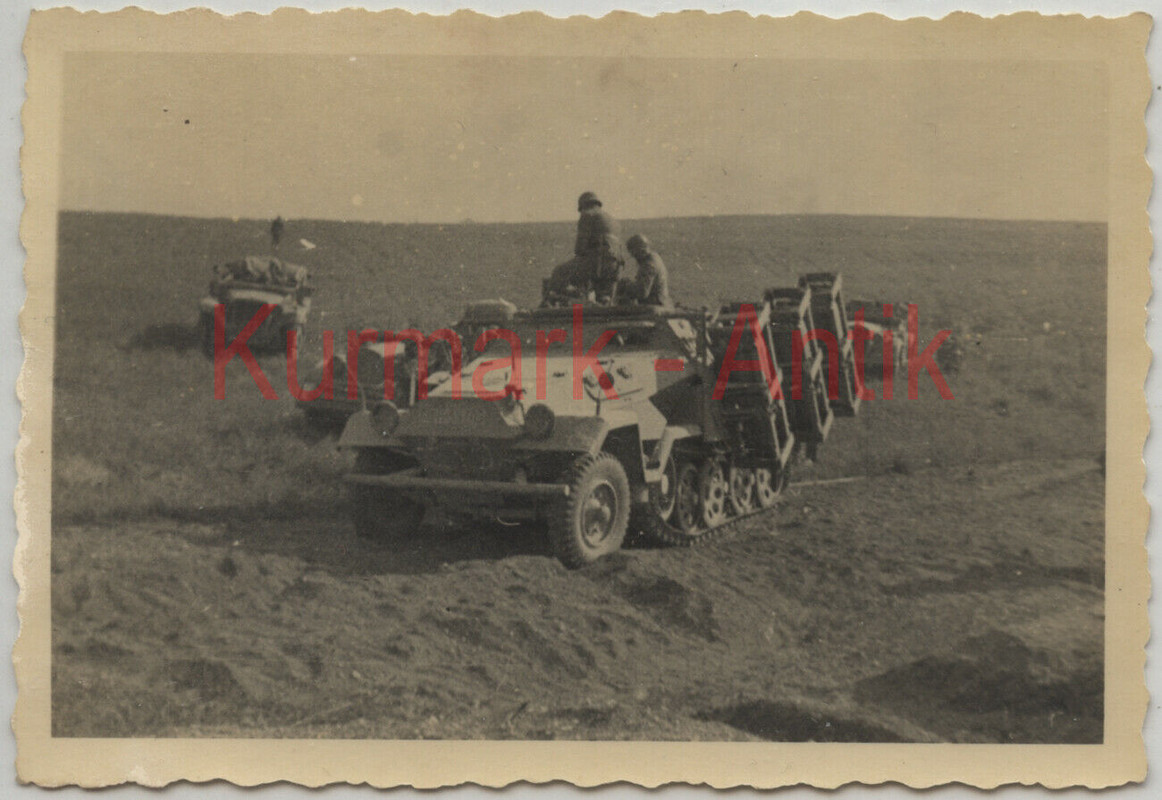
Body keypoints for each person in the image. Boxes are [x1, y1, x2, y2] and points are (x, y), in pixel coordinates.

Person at [543, 192, 624, 304]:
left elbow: (580, 248)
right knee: (603, 300)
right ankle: (596, 309)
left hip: (596, 264)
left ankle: (559, 306)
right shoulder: (614, 222)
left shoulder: (587, 214)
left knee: (559, 272)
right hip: (614, 268)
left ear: (583, 206)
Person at [624, 234, 673, 308]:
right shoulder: (655, 258)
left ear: (640, 250)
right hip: (661, 302)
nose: (634, 257)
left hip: (655, 305)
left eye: (633, 253)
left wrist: (626, 285)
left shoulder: (649, 265)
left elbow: (642, 293)